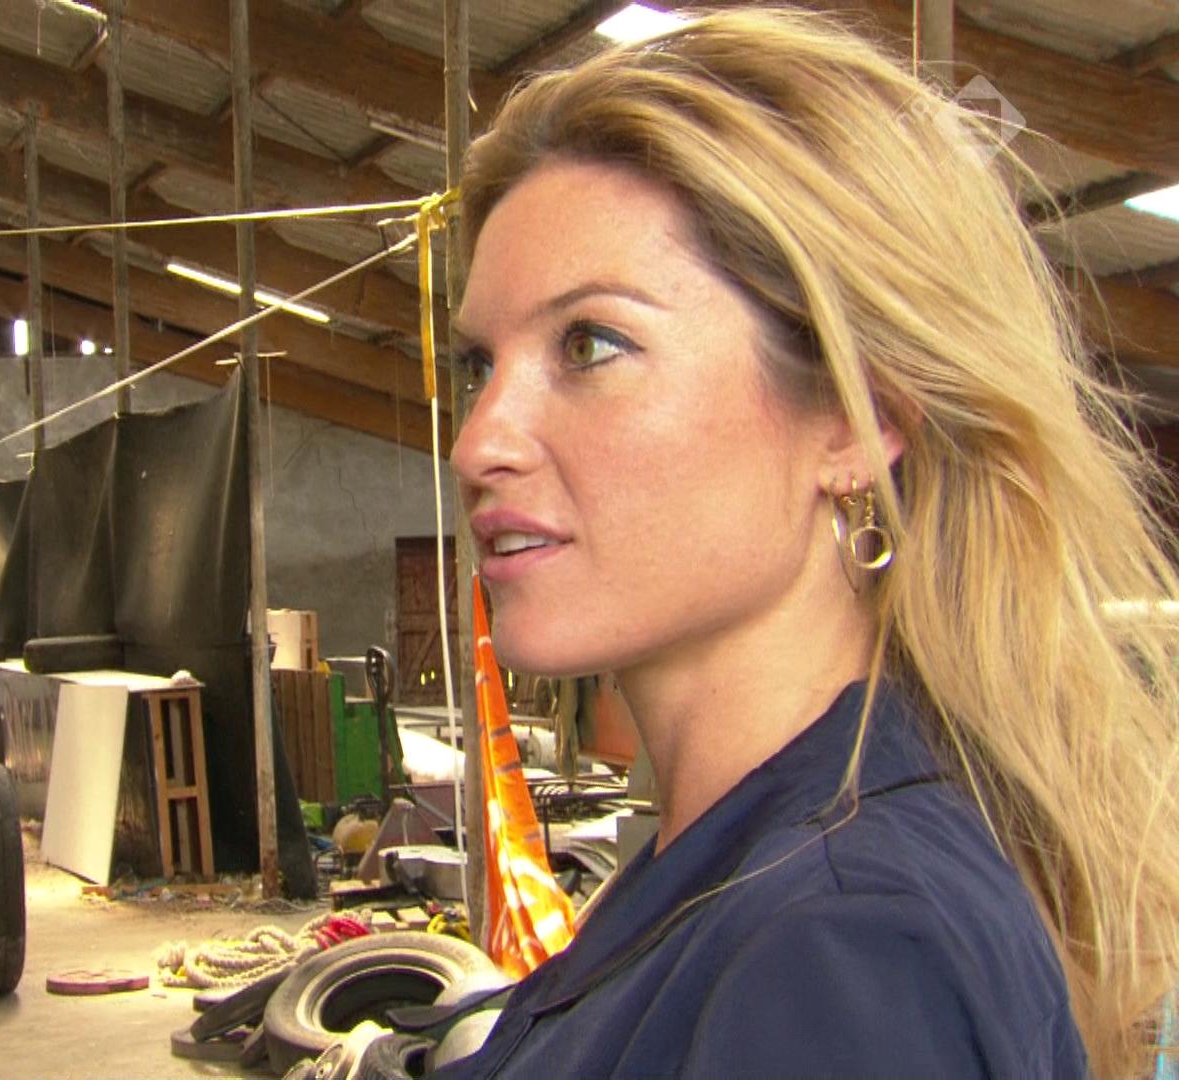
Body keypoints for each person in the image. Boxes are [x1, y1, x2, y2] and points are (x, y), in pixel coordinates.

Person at [442, 9, 1178, 1080]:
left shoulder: (847, 948)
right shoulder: (742, 861)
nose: (479, 443)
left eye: (589, 344)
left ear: (851, 422)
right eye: (480, 365)